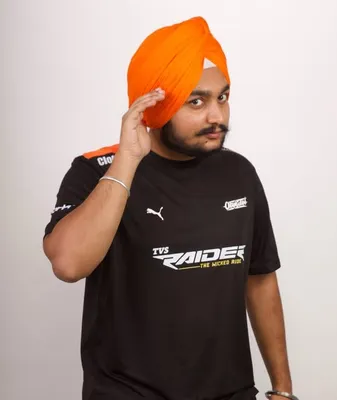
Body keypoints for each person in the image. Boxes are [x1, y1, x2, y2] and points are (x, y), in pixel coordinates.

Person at [43, 16, 298, 400]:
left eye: (222, 97)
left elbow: (260, 280)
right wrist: (127, 161)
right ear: (154, 105)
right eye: (196, 101)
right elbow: (67, 264)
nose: (217, 117)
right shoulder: (96, 171)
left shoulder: (239, 174)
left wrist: (283, 390)